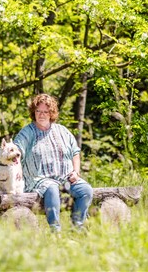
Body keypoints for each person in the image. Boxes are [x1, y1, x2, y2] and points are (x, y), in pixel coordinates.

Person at [13, 93, 93, 232]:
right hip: (39, 179)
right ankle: (55, 231)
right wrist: (18, 167)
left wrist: (76, 171)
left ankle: (78, 226)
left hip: (65, 178)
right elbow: (16, 150)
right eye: (38, 111)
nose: (41, 115)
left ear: (51, 113)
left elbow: (75, 152)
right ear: (34, 112)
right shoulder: (27, 132)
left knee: (86, 190)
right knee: (52, 189)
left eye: (45, 112)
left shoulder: (62, 131)